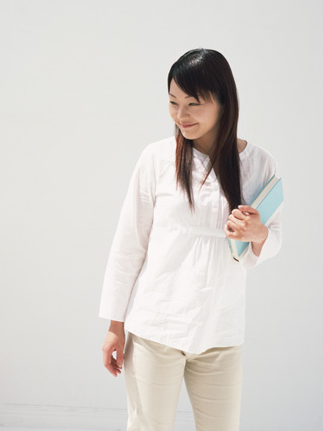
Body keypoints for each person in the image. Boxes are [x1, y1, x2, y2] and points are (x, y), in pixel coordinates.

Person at [99, 48, 282, 431]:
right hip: (156, 327)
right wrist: (116, 326)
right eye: (173, 102)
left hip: (221, 331)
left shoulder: (260, 164)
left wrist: (258, 233)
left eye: (193, 104)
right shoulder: (157, 158)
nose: (181, 115)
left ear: (223, 101)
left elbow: (272, 239)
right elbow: (129, 245)